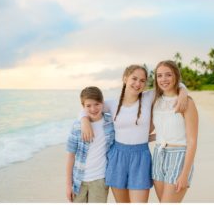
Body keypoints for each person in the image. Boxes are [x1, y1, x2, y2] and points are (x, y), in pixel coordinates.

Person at [80, 64, 188, 203]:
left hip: (141, 158)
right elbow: (89, 107)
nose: (138, 84)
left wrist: (184, 92)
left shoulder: (148, 97)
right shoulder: (112, 104)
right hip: (117, 157)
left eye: (142, 80)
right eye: (134, 78)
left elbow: (173, 85)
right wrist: (84, 120)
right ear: (125, 78)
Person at [151, 60, 198, 202]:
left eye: (168, 75)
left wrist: (185, 174)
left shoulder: (186, 102)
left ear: (176, 76)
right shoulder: (155, 100)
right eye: (159, 76)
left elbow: (192, 140)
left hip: (179, 156)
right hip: (158, 155)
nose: (163, 79)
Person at [66, 86, 115, 203]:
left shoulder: (110, 122)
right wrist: (68, 185)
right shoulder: (77, 126)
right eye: (88, 105)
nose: (93, 108)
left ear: (102, 103)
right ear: (83, 107)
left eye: (97, 104)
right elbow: (70, 156)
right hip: (78, 180)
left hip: (100, 180)